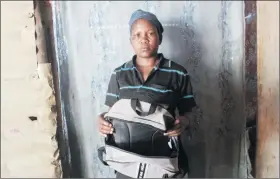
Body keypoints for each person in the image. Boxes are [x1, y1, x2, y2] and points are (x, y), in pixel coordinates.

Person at [97, 9, 196, 178]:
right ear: (131, 41)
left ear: (159, 38)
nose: (144, 39)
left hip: (162, 159)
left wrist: (184, 122)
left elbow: (190, 113)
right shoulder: (119, 74)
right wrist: (101, 119)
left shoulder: (178, 73)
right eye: (137, 35)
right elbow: (113, 113)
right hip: (126, 159)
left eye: (150, 33)